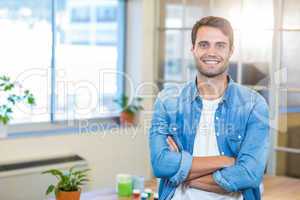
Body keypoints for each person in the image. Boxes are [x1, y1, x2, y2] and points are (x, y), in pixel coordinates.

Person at [149, 16, 269, 200]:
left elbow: (249, 175)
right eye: (204, 44)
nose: (211, 52)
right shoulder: (167, 101)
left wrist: (182, 175)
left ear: (231, 51)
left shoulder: (254, 105)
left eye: (220, 45)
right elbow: (160, 165)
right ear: (193, 49)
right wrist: (226, 161)